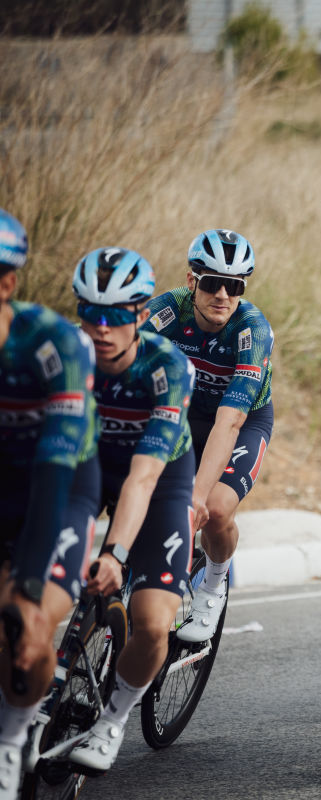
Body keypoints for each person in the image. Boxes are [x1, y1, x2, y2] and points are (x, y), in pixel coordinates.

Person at [63, 248, 195, 773]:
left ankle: (113, 719)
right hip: (87, 466)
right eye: (91, 313)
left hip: (159, 478)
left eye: (117, 314)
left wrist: (115, 553)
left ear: (141, 314)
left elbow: (142, 477)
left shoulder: (167, 367)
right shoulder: (65, 355)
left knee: (154, 622)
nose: (102, 328)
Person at [0, 212, 99, 799]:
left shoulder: (54, 344)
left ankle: (11, 742)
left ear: (7, 284)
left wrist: (27, 584)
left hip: (57, 488)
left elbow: (53, 472)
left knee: (30, 626)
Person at [141, 230, 273, 642]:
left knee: (214, 509)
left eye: (233, 286)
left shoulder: (252, 331)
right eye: (211, 283)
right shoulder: (165, 312)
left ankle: (214, 582)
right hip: (180, 415)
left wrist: (196, 501)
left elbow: (229, 422)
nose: (222, 295)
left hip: (239, 421)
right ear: (190, 281)